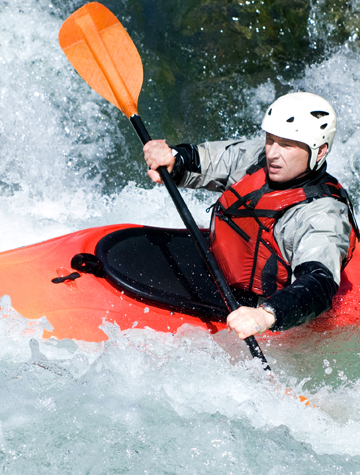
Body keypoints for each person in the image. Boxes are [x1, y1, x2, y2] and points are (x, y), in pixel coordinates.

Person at [143, 92, 358, 340]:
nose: (273, 153)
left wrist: (266, 315)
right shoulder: (260, 157)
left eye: (287, 144)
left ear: (319, 152)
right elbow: (208, 160)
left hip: (266, 307)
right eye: (271, 139)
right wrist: (173, 159)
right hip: (220, 271)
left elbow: (318, 284)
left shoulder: (322, 215)